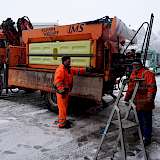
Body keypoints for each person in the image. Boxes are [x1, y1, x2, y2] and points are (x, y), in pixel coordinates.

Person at [124, 58, 157, 146]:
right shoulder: (133, 74)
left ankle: (147, 137)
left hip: (146, 103)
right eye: (133, 65)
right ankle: (140, 133)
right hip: (137, 103)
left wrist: (149, 99)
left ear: (140, 64)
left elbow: (152, 87)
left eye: (136, 65)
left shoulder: (148, 73)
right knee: (139, 119)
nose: (134, 66)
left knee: (146, 120)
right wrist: (127, 98)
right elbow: (130, 88)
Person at [54, 56, 92, 129]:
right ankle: (62, 124)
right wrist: (62, 91)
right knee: (62, 108)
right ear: (64, 61)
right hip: (62, 93)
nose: (69, 63)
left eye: (70, 61)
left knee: (64, 107)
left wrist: (86, 69)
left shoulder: (68, 69)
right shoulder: (61, 70)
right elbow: (57, 81)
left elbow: (77, 70)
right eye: (68, 61)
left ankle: (63, 121)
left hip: (65, 91)